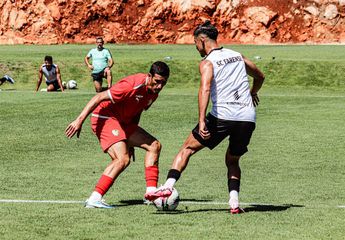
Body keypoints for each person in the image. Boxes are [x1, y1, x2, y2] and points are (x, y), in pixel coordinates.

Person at [145, 21, 265, 214]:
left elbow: (205, 88)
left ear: (202, 40)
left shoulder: (208, 62)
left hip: (223, 116)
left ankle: (167, 186)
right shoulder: (237, 56)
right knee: (233, 160)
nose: (195, 47)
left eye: (195, 42)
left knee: (186, 149)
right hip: (247, 117)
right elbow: (260, 76)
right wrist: (252, 93)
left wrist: (202, 120)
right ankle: (234, 202)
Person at [65, 61, 170, 208]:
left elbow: (137, 110)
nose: (159, 86)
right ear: (149, 76)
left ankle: (151, 194)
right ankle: (94, 199)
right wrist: (79, 120)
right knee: (122, 159)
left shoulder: (153, 92)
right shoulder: (131, 85)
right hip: (105, 117)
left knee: (154, 146)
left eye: (163, 83)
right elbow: (98, 97)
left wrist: (129, 138)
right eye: (157, 81)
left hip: (123, 122)